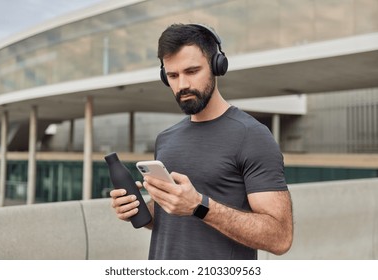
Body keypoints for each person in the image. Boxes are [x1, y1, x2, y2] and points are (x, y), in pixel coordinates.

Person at [110, 23, 293, 260]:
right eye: (172, 76)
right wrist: (139, 210)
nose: (182, 84)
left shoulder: (251, 135)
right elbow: (171, 218)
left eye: (192, 71)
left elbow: (280, 237)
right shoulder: (166, 139)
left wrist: (199, 206)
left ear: (217, 66)